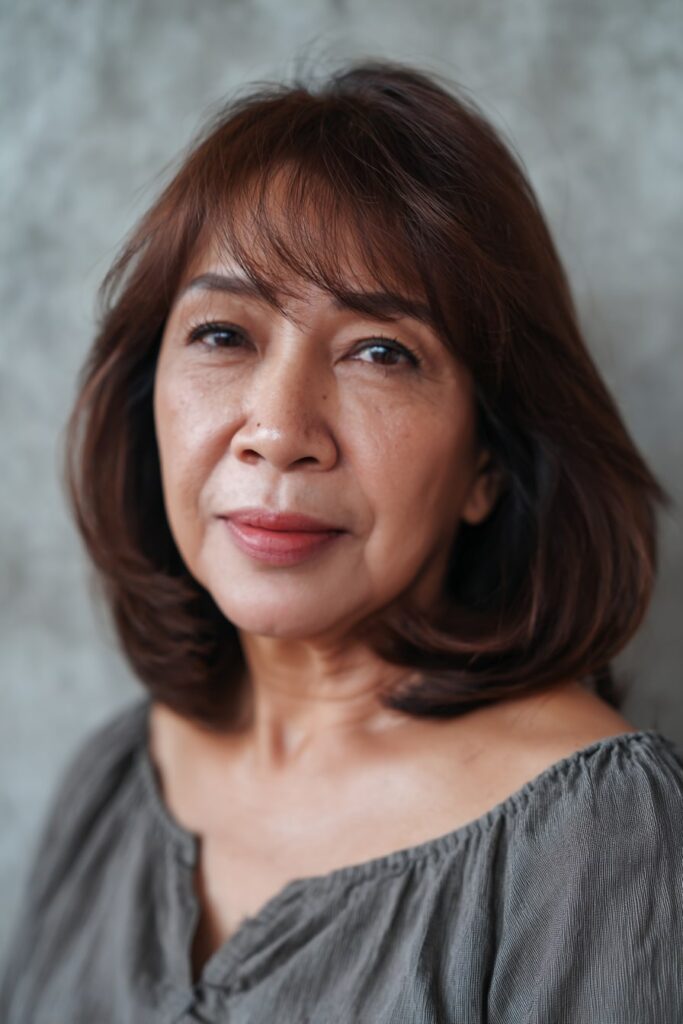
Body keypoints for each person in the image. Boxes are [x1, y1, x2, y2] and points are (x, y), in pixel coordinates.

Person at [1, 58, 681, 1023]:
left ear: (488, 465)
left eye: (379, 352)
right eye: (224, 335)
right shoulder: (117, 777)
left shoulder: (598, 838)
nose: (278, 428)